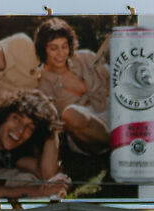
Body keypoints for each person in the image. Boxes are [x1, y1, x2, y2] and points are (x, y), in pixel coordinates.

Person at [31, 17, 110, 151]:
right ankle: (116, 141)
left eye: (64, 46)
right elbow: (53, 124)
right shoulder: (43, 84)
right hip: (85, 132)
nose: (61, 53)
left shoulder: (86, 57)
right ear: (43, 50)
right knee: (70, 114)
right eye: (53, 48)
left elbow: (113, 80)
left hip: (108, 111)